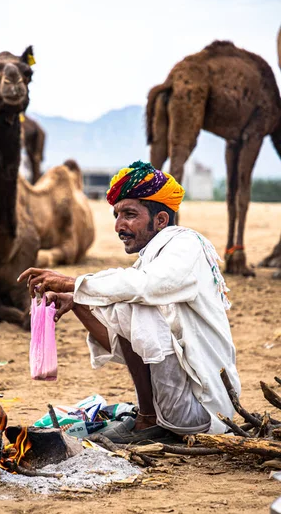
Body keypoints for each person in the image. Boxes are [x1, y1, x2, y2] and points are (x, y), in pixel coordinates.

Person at [18, 160, 241, 443]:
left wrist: (74, 282)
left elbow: (143, 288)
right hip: (178, 408)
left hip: (204, 412)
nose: (119, 225)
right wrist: (76, 302)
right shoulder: (152, 259)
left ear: (160, 220)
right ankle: (147, 416)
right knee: (123, 299)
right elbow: (121, 340)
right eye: (117, 215)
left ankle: (147, 419)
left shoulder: (186, 245)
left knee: (128, 300)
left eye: (130, 214)